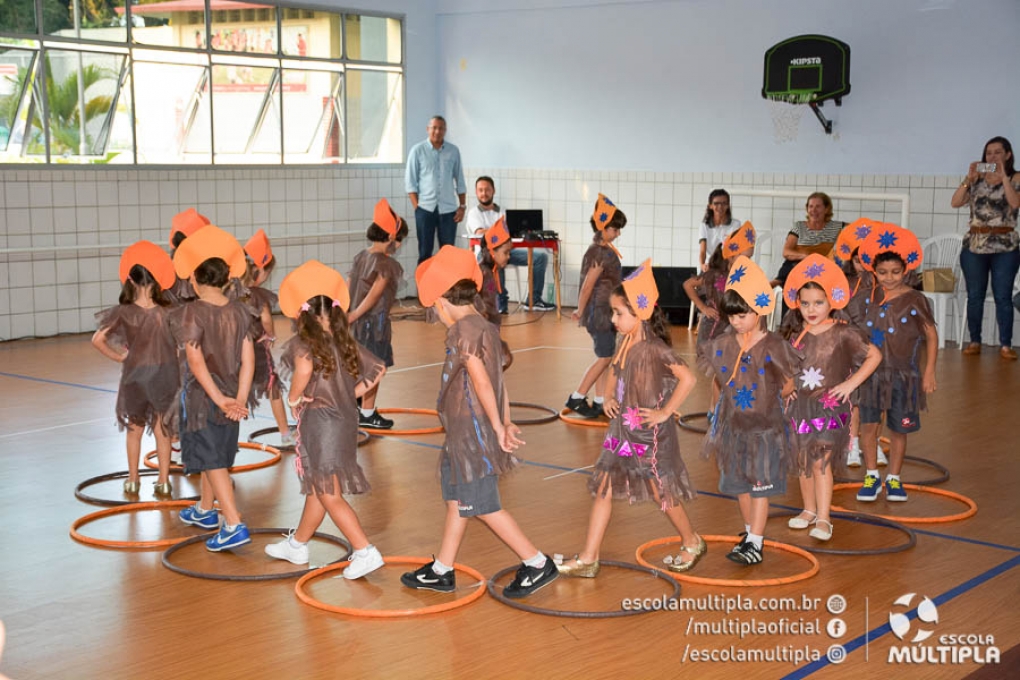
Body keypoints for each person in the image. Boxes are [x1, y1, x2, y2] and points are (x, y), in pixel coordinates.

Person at [401, 246, 558, 599]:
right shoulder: (485, 326)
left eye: (434, 309)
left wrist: (499, 427)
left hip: (472, 435)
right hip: (465, 432)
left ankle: (536, 562)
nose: (436, 315)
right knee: (459, 500)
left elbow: (483, 381)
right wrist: (505, 419)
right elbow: (498, 380)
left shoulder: (463, 331)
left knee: (484, 506)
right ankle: (442, 569)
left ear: (442, 301)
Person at [556, 261, 704, 576]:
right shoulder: (626, 342)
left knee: (659, 491)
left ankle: (692, 540)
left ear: (640, 313)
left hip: (648, 435)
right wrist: (609, 397)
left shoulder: (654, 349)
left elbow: (688, 379)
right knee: (604, 487)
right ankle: (589, 557)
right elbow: (614, 370)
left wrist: (665, 411)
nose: (613, 319)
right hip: (621, 431)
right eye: (613, 312)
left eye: (618, 313)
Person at [264, 260, 387, 579]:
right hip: (344, 420)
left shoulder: (304, 343)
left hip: (322, 423)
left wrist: (293, 398)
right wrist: (350, 393)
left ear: (301, 314)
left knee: (328, 492)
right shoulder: (343, 340)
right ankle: (298, 544)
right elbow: (378, 369)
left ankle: (365, 550)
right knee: (319, 486)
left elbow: (304, 368)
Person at [699, 256, 799, 565]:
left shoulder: (773, 345)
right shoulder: (725, 344)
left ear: (759, 311)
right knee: (740, 485)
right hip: (734, 428)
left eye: (742, 315)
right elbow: (720, 380)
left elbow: (789, 383)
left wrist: (769, 399)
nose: (736, 322)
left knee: (759, 488)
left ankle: (756, 541)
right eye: (732, 316)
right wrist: (716, 410)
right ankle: (749, 533)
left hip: (764, 430)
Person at [780, 255, 882, 541]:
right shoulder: (795, 334)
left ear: (832, 301)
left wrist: (850, 384)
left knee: (820, 462)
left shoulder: (843, 332)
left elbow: (874, 356)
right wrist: (786, 388)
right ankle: (808, 510)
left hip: (830, 408)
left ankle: (824, 518)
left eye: (818, 302)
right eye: (805, 303)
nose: (811, 309)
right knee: (804, 460)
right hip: (800, 407)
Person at [170, 225, 256, 552]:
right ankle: (206, 509)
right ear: (226, 280)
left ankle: (233, 523)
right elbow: (249, 360)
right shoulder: (240, 311)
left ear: (194, 279)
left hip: (203, 398)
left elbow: (195, 362)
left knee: (213, 459)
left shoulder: (191, 312)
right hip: (232, 395)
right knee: (215, 453)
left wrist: (219, 399)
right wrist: (239, 398)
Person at [855, 225, 938, 503]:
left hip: (904, 376)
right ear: (874, 271)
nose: (889, 278)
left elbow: (931, 335)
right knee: (869, 426)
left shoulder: (916, 299)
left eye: (895, 272)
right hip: (870, 376)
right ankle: (871, 476)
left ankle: (894, 478)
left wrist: (929, 371)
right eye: (882, 272)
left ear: (906, 270)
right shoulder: (867, 298)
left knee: (899, 429)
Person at [91, 241, 179, 497]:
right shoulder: (167, 311)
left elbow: (97, 340)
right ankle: (163, 481)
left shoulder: (124, 312)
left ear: (130, 280)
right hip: (164, 375)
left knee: (134, 430)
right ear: (157, 279)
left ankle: (132, 480)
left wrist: (120, 357)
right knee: (163, 430)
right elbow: (179, 345)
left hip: (136, 377)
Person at [950, 136, 1020, 360]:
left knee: (1003, 296)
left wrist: (1004, 177)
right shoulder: (977, 178)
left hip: (1005, 245)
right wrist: (968, 180)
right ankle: (975, 341)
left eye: (998, 152)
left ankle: (1006, 345)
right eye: (989, 153)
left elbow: (1015, 203)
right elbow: (955, 202)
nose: (993, 156)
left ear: (1008, 155)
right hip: (975, 245)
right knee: (975, 295)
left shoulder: (1016, 177)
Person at [347, 199, 409, 430]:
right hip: (374, 324)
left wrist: (346, 312)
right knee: (375, 367)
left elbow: (348, 283)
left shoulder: (361, 256)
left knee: (357, 365)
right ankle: (367, 413)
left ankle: (356, 406)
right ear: (391, 237)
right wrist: (354, 314)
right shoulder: (386, 264)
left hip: (356, 325)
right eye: (400, 240)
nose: (399, 246)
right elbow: (374, 295)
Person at [683, 222, 756, 415]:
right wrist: (703, 307)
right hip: (714, 332)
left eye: (750, 257)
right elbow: (688, 284)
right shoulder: (714, 274)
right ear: (731, 255)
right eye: (746, 256)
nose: (748, 261)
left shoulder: (744, 275)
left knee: (727, 373)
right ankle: (714, 410)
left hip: (734, 330)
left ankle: (715, 408)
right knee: (721, 373)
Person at [832, 219, 888, 469]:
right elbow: (837, 313)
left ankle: (872, 442)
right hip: (853, 347)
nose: (862, 266)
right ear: (850, 261)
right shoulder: (844, 284)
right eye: (857, 261)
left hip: (880, 346)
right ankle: (852, 442)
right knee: (854, 398)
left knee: (879, 399)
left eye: (867, 260)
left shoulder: (884, 285)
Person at [566, 194, 626, 419]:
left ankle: (600, 400)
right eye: (615, 229)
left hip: (605, 311)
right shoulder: (600, 253)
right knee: (604, 358)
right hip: (599, 312)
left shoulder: (601, 250)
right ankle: (577, 397)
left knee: (605, 354)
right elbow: (587, 286)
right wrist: (580, 310)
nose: (618, 233)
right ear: (603, 228)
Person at [464, 176, 554, 312]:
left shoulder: (503, 211)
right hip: (484, 254)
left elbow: (510, 232)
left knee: (541, 258)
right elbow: (480, 232)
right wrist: (501, 231)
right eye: (480, 190)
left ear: (493, 191)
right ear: (476, 192)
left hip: (508, 252)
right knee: (496, 257)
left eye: (487, 190)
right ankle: (501, 302)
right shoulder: (473, 213)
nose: (484, 193)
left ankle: (533, 300)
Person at [242, 229, 293, 446]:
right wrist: (270, 337)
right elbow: (267, 323)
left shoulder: (232, 292)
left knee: (234, 389)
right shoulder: (260, 296)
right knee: (273, 388)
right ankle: (285, 434)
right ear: (261, 271)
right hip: (257, 350)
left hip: (234, 351)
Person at [405, 116, 466, 264]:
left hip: (448, 211)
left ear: (445, 130)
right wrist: (418, 208)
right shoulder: (417, 151)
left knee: (448, 254)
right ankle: (423, 280)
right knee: (425, 253)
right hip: (425, 210)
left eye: (441, 128)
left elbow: (460, 180)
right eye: (434, 128)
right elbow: (410, 183)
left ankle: (447, 281)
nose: (437, 131)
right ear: (428, 129)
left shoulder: (453, 151)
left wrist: (462, 206)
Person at [774, 192, 845, 290]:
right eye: (811, 206)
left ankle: (779, 281)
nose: (813, 210)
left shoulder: (836, 227)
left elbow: (856, 230)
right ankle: (779, 281)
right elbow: (786, 252)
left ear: (826, 209)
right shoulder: (799, 226)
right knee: (794, 266)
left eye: (818, 206)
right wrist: (807, 257)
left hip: (823, 269)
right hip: (799, 266)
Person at [477, 216, 515, 370]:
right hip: (483, 338)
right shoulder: (485, 274)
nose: (508, 257)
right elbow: (484, 310)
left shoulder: (491, 272)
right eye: (506, 252)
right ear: (492, 252)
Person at [698, 189, 743, 271]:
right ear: (710, 206)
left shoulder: (736, 224)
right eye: (716, 203)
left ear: (728, 205)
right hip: (710, 266)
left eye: (724, 203)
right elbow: (702, 251)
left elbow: (736, 250)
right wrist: (702, 265)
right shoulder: (704, 225)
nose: (720, 207)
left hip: (728, 267)